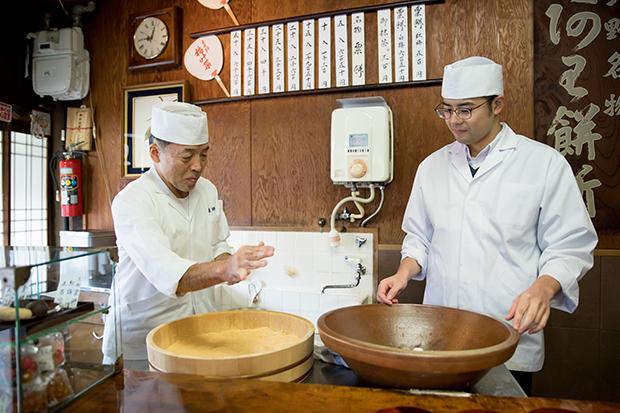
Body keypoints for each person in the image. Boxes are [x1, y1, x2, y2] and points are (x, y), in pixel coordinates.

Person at [376, 56, 597, 395]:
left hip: (508, 337)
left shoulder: (542, 164)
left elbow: (570, 245)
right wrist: (404, 272)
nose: (454, 120)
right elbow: (419, 236)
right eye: (447, 109)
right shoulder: (432, 167)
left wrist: (544, 288)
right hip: (440, 338)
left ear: (498, 105)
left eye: (465, 109)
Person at [102, 101, 274, 370]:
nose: (198, 166)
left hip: (199, 332)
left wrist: (233, 264)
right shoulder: (133, 201)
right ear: (155, 153)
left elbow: (218, 243)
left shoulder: (206, 190)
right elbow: (168, 273)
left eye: (204, 155)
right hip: (142, 341)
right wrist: (223, 269)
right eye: (187, 157)